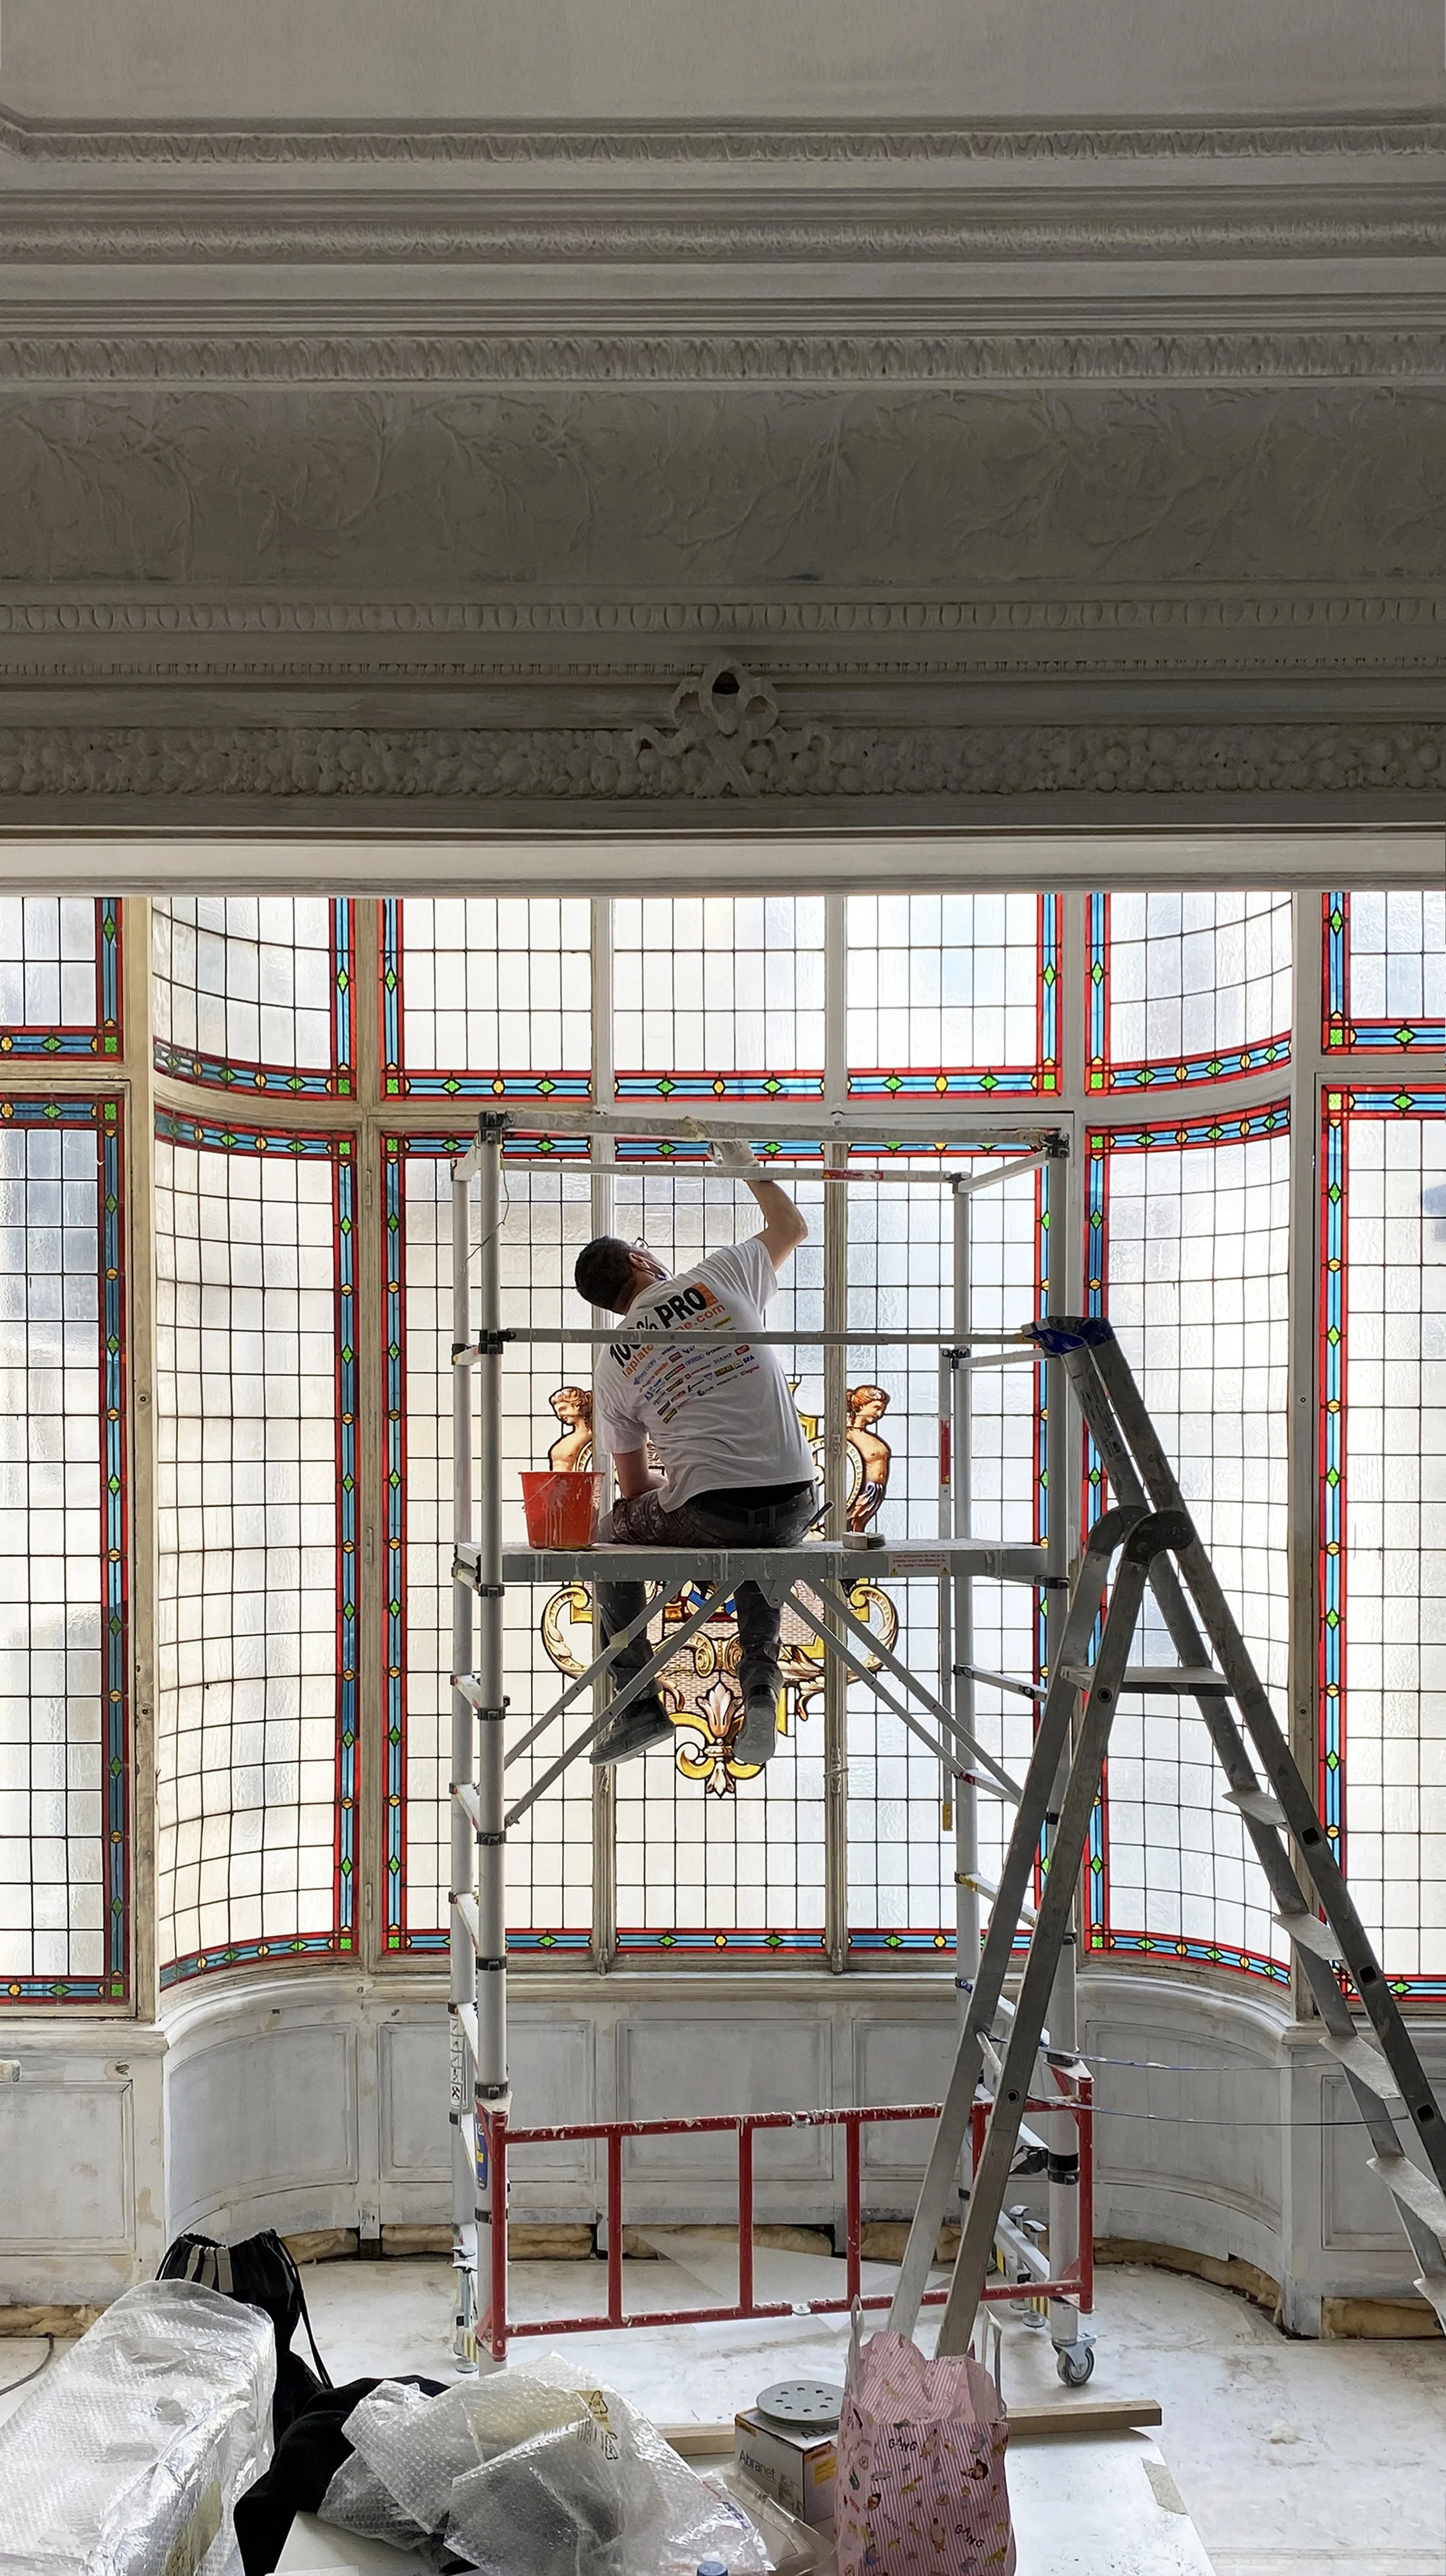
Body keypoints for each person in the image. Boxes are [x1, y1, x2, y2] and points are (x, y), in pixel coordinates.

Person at [572, 1139, 816, 1771]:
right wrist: (745, 1168)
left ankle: (636, 1701)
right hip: (797, 1500)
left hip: (712, 1512)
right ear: (640, 1258)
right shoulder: (718, 1275)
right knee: (760, 1541)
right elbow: (792, 1226)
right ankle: (760, 1687)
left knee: (609, 1535)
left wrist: (686, 1479)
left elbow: (632, 1492)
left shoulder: (615, 1360)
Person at [546, 1384, 593, 1473]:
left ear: (577, 1406)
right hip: (555, 1485)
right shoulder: (568, 1438)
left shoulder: (592, 1436)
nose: (560, 1415)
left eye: (563, 1409)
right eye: (557, 1412)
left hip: (576, 1484)